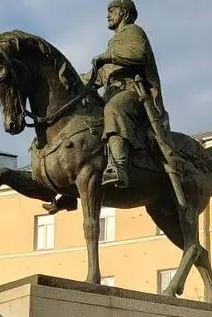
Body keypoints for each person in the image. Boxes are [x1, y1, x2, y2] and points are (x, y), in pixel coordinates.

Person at [90, 0, 168, 188]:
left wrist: (108, 55)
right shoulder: (114, 42)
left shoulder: (133, 31)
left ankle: (119, 167)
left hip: (133, 92)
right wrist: (74, 80)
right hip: (112, 91)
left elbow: (138, 54)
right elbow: (101, 74)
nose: (108, 15)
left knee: (113, 109)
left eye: (112, 11)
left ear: (124, 13)